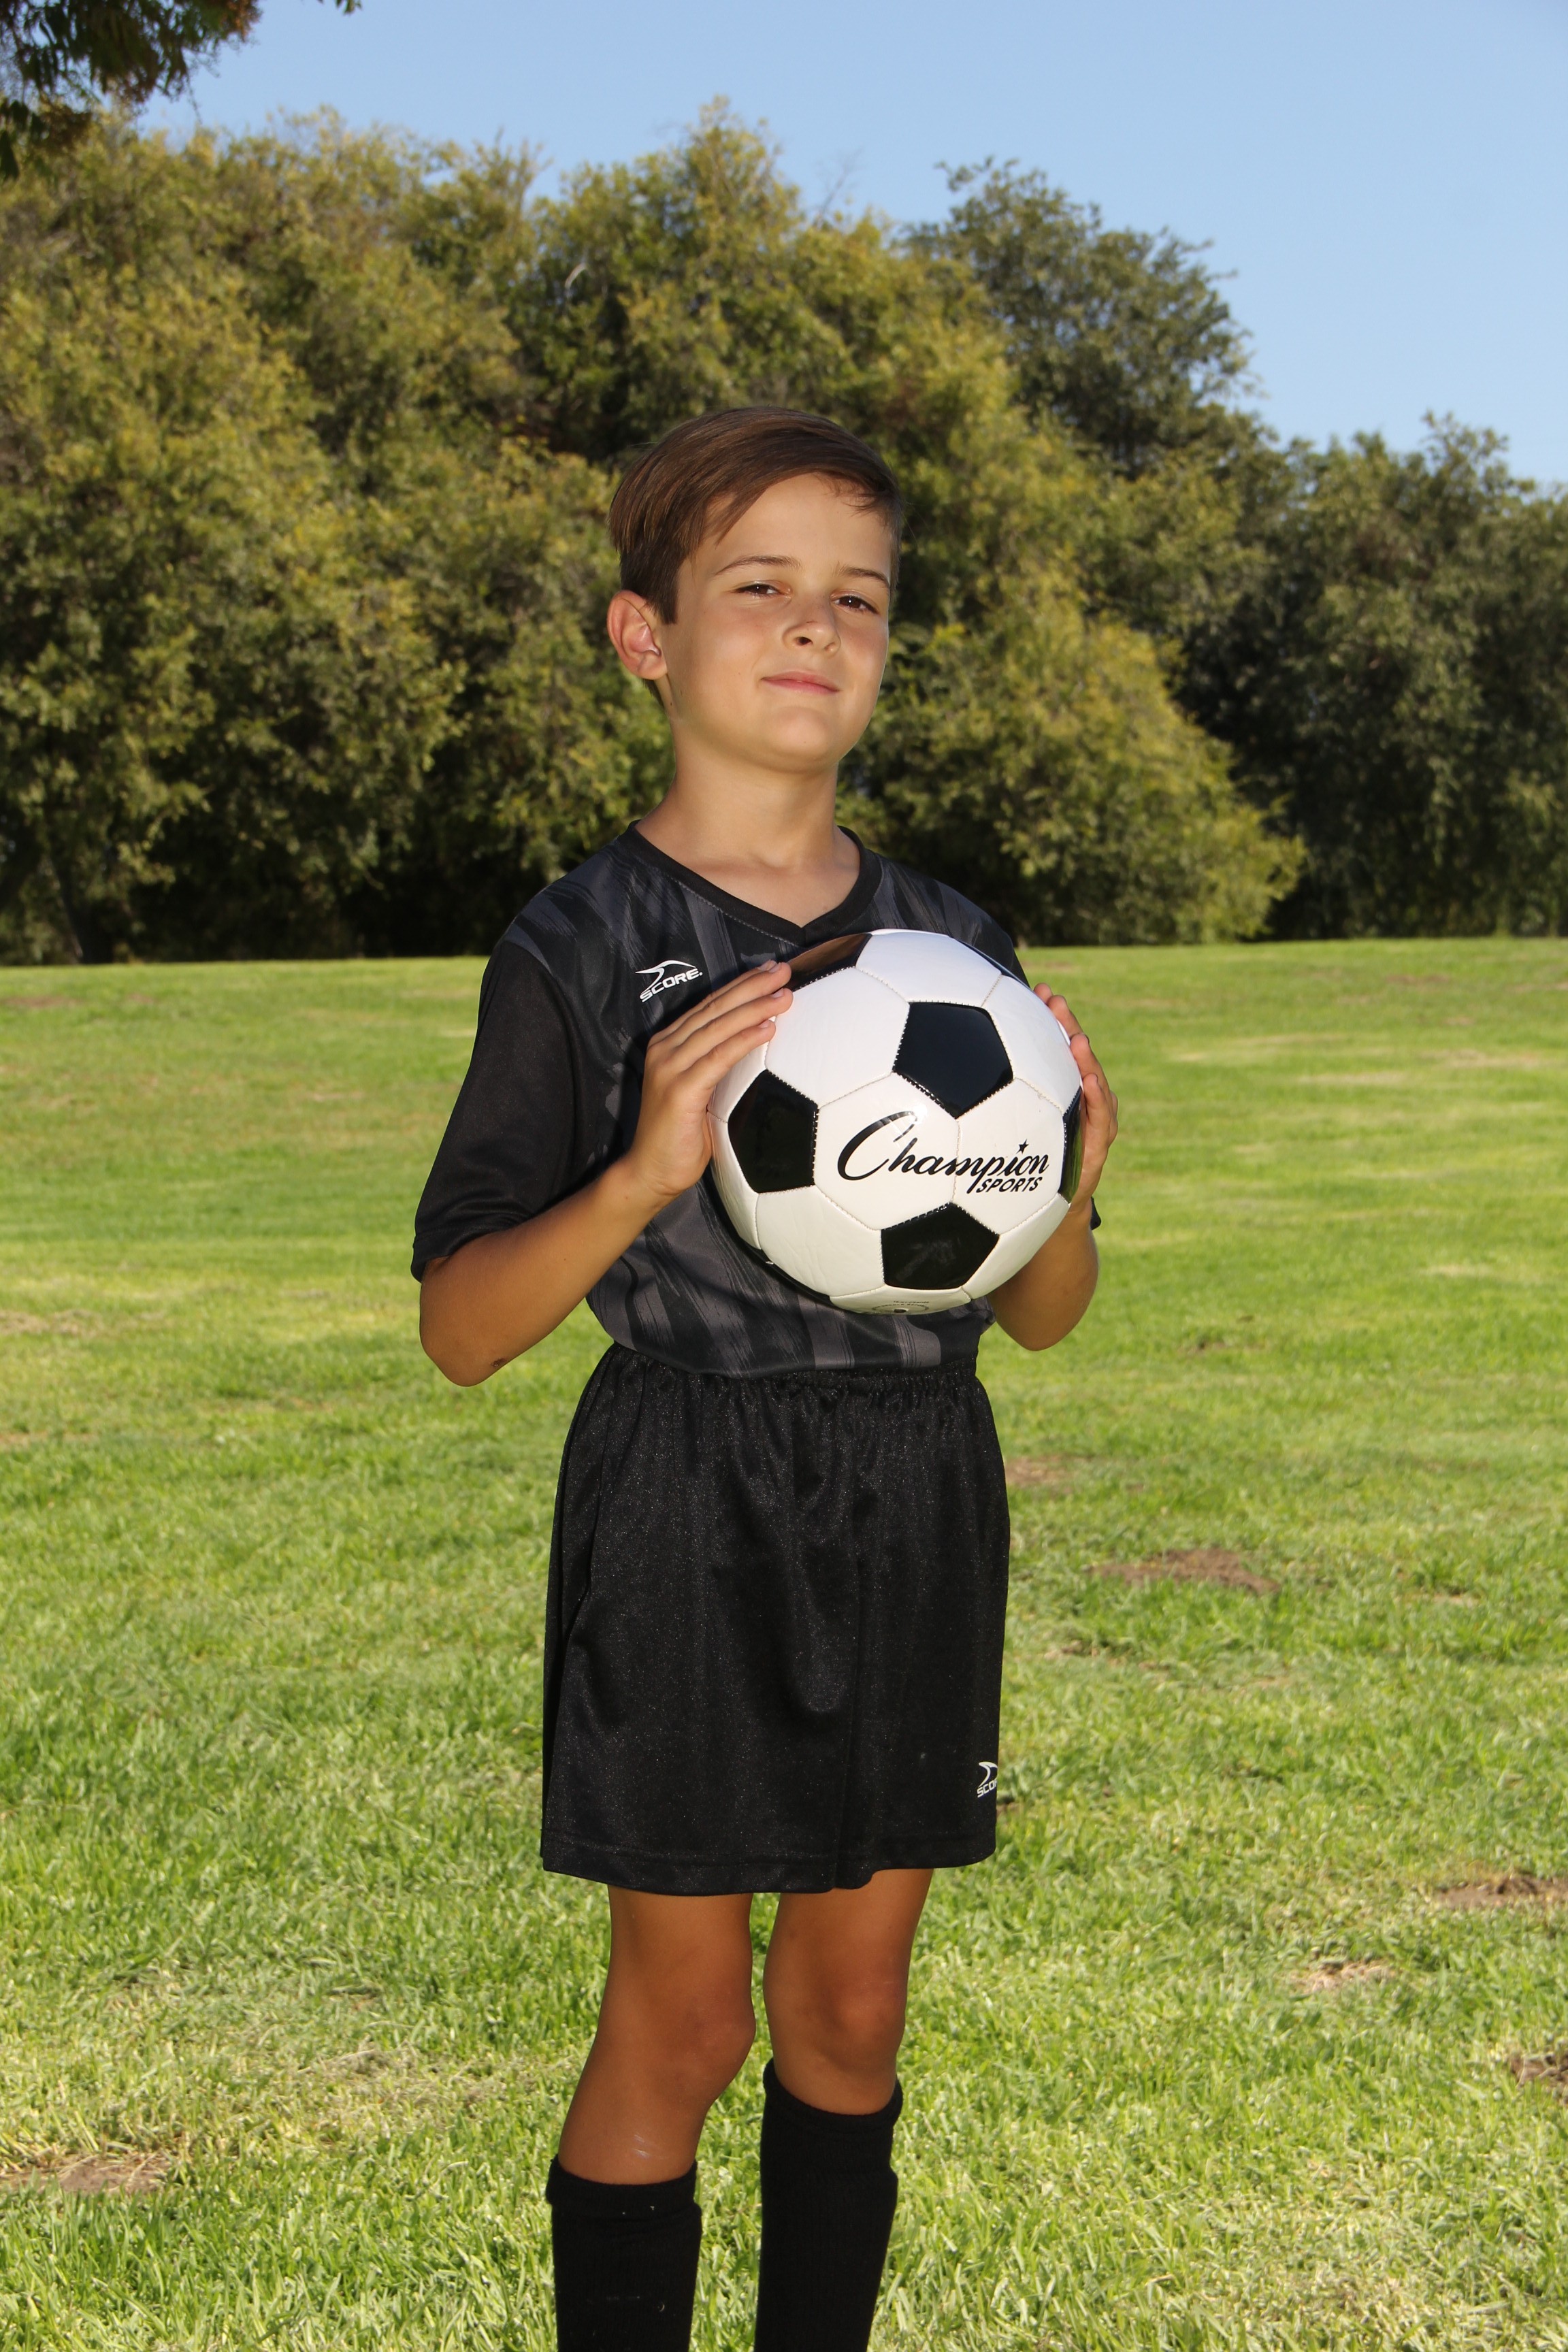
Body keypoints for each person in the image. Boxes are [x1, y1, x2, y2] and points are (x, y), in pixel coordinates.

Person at [413, 406, 1118, 2352]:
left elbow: (1044, 1315)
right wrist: (643, 1170)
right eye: (761, 588)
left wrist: (1067, 1188)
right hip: (687, 1497)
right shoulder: (580, 945)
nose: (817, 629)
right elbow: (462, 1328)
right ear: (645, 636)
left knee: (850, 2014)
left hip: (919, 1486)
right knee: (685, 2023)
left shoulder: (954, 951)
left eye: (858, 600)